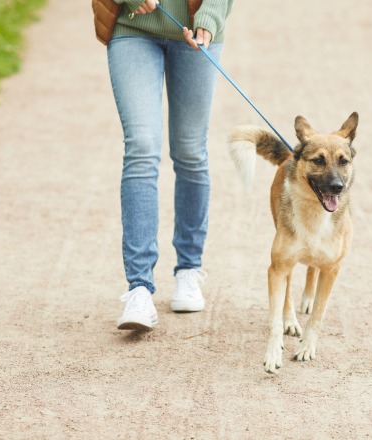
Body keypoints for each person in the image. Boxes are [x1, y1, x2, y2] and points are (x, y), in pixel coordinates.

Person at [105, 0, 234, 330]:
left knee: (190, 151)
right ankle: (139, 288)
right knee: (142, 148)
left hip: (197, 27)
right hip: (133, 27)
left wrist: (210, 17)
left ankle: (189, 270)